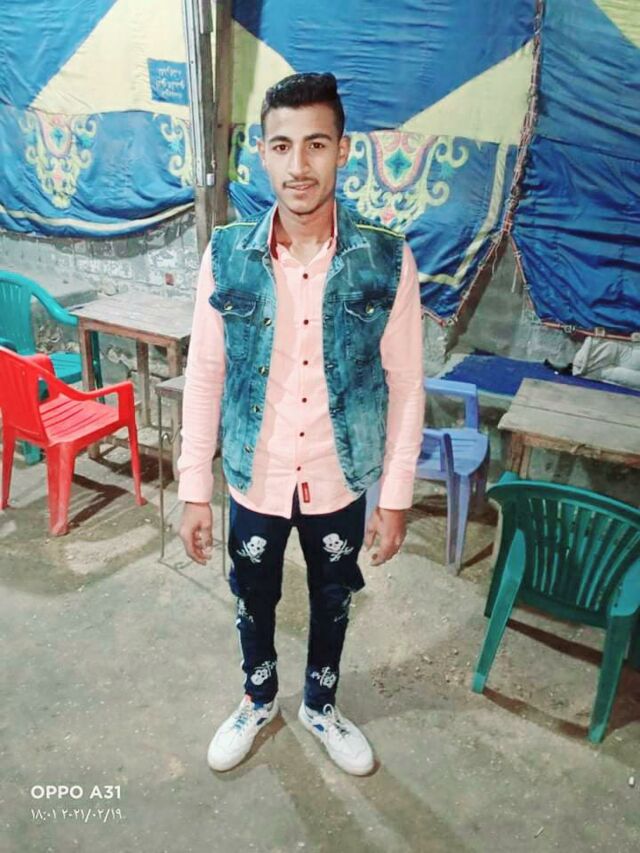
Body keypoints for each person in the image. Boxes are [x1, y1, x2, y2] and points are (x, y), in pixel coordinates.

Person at [177, 72, 424, 776]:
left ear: (343, 150)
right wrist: (194, 488)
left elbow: (407, 384)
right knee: (252, 595)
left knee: (334, 596)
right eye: (282, 145)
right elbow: (206, 374)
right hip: (255, 472)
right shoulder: (227, 254)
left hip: (338, 474)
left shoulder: (386, 259)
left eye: (317, 144)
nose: (299, 165)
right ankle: (258, 698)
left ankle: (320, 704)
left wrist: (396, 495)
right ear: (261, 152)